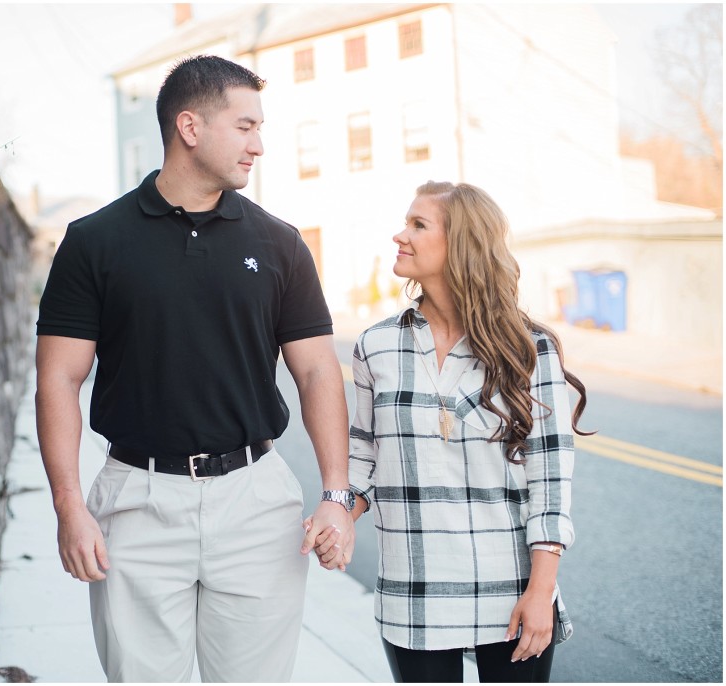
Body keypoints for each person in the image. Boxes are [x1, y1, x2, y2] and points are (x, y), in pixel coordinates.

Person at [34, 55, 354, 683]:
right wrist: (69, 506)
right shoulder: (94, 241)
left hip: (255, 500)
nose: (259, 145)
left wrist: (336, 495)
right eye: (244, 126)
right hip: (137, 500)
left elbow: (318, 372)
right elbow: (58, 380)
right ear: (189, 127)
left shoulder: (281, 243)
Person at [335, 181, 590, 682]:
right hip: (415, 589)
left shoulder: (528, 349)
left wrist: (542, 590)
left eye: (418, 225)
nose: (398, 235)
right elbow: (362, 461)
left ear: (462, 244)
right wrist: (339, 513)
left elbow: (550, 481)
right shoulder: (376, 346)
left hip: (511, 586)